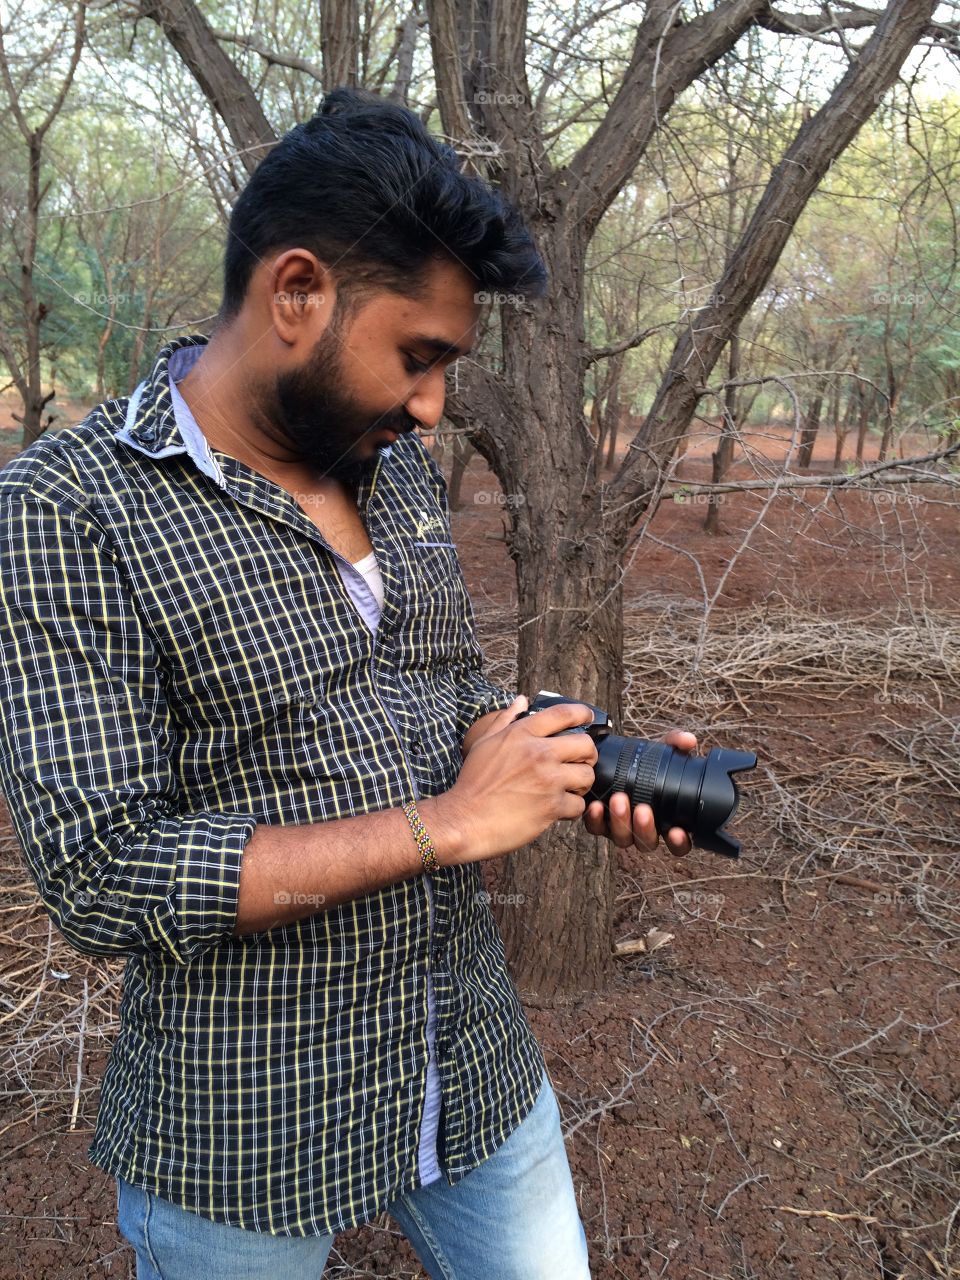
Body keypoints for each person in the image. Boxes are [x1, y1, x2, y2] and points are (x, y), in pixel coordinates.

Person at [0, 87, 696, 1279]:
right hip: (244, 1128)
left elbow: (445, 689)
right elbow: (102, 874)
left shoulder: (390, 464)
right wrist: (452, 823)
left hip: (465, 1058)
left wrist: (569, 756)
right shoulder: (70, 506)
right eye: (417, 358)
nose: (432, 404)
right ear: (297, 292)